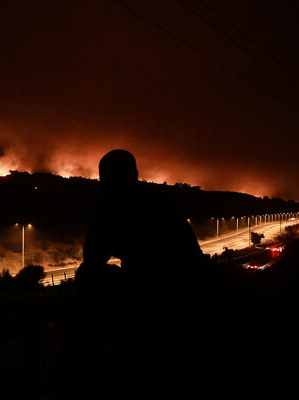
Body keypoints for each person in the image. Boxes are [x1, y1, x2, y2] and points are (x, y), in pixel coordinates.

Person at [74, 149, 208, 397]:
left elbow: (92, 259)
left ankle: (83, 362)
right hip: (186, 294)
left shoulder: (116, 206)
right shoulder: (158, 202)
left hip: (164, 295)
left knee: (87, 278)